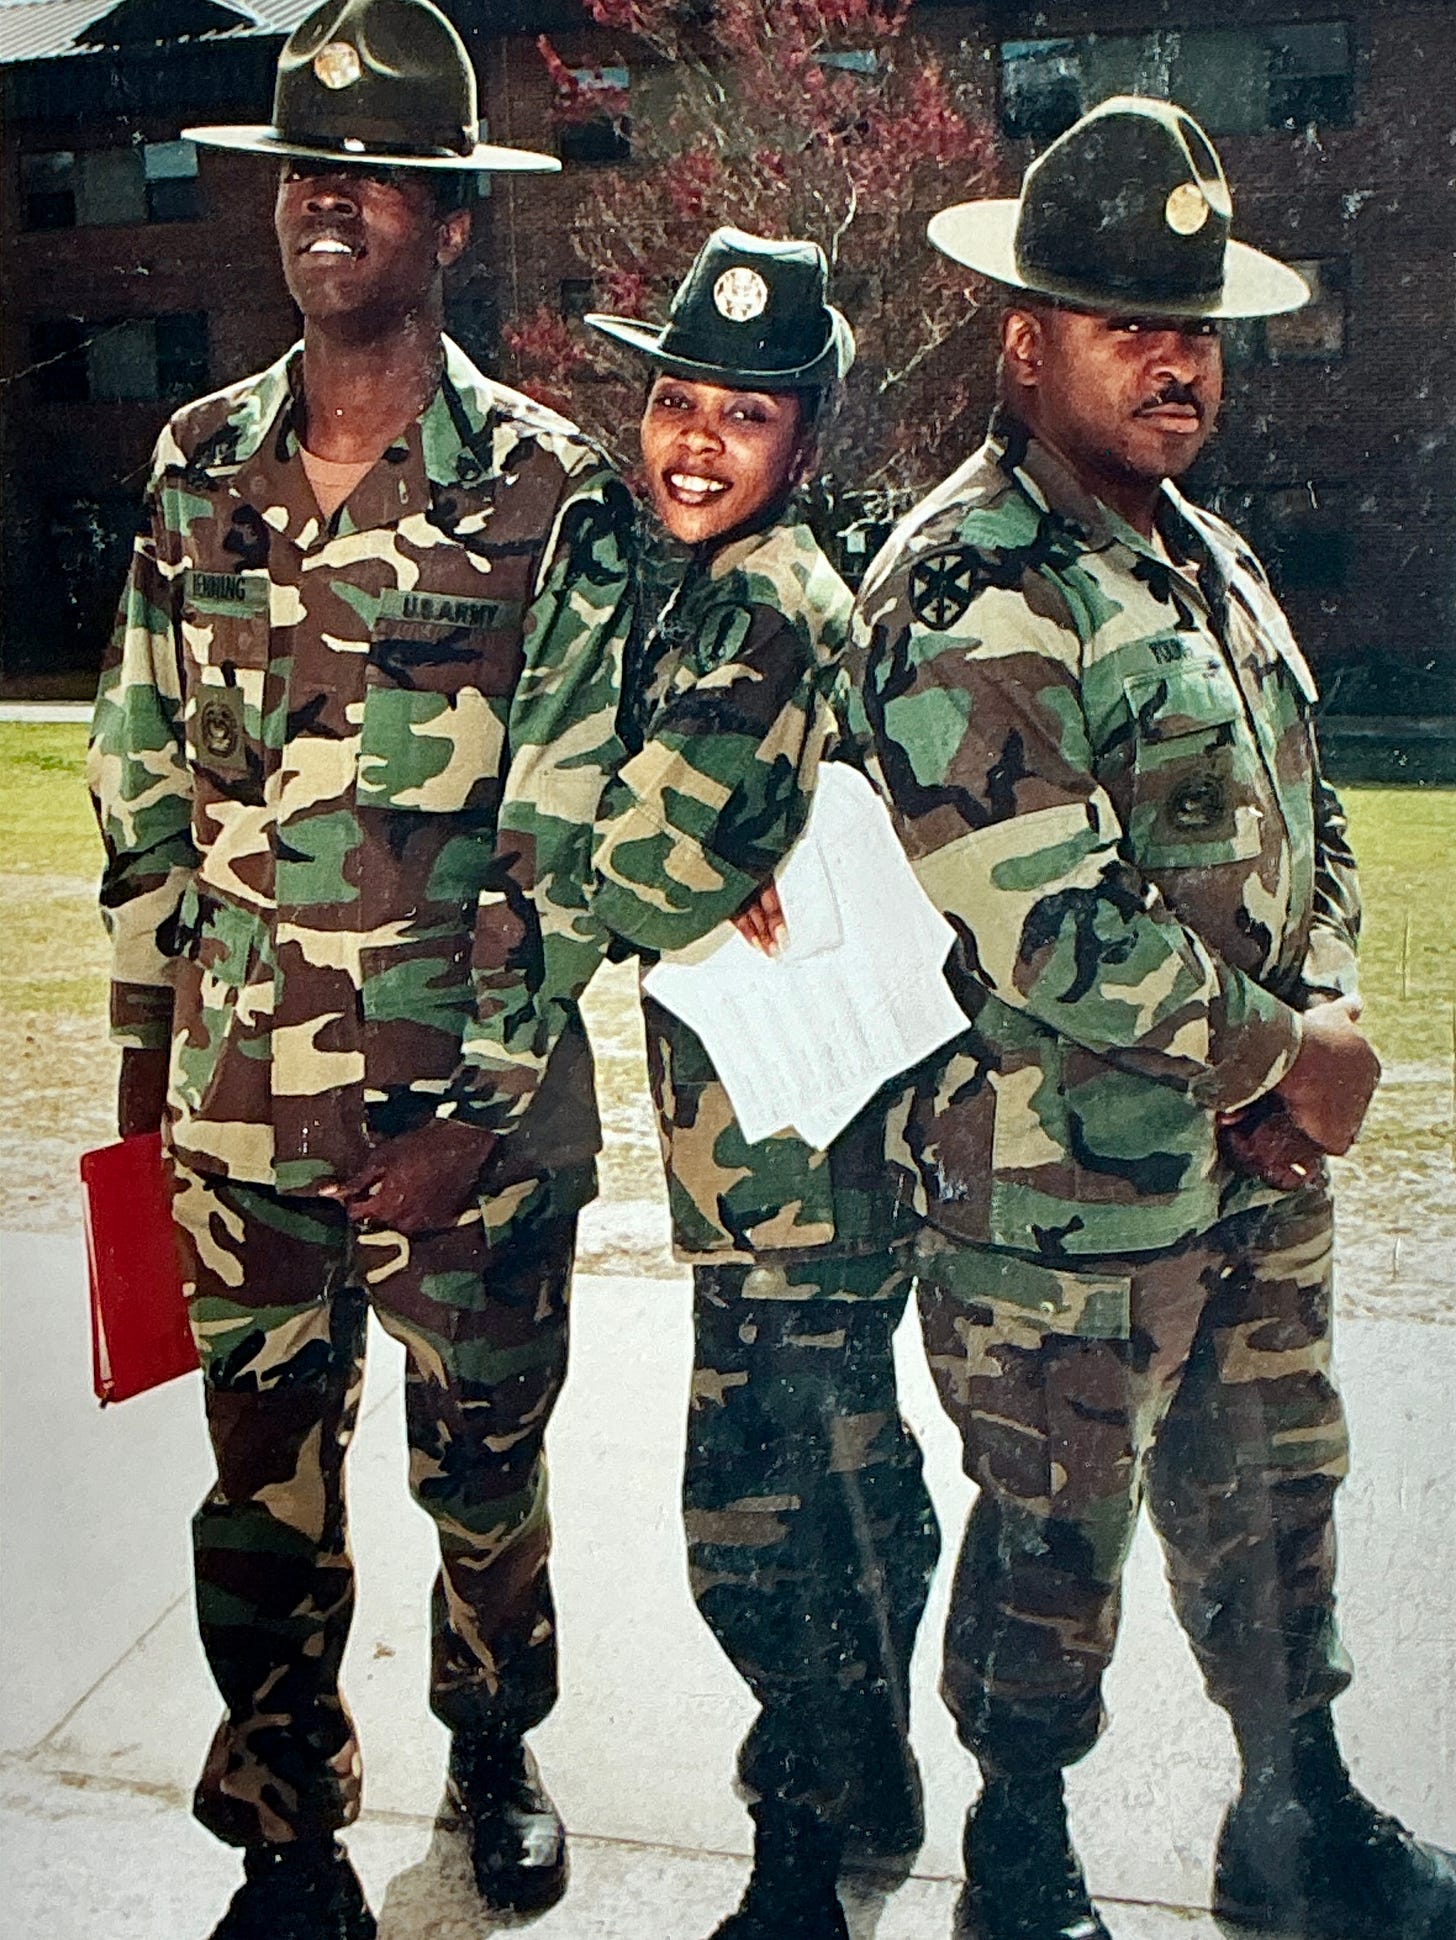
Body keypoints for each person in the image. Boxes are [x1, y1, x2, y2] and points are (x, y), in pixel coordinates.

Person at [853, 97, 1456, 1940]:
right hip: (1065, 1197)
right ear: (1024, 340)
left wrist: (1321, 1015)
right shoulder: (969, 585)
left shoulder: (1205, 555)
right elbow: (1060, 933)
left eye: (1193, 327)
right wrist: (1296, 1061)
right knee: (1051, 1536)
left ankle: (1296, 1820)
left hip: (1250, 1170)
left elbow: (1311, 812)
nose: (1175, 361)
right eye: (1129, 322)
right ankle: (1020, 1867)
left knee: (1275, 1495)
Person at [86, 2, 634, 1934]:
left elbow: (573, 846)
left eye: (374, 178)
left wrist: (475, 1120)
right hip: (243, 1115)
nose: (327, 204)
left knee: (484, 1475)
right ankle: (288, 1818)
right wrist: (148, 1104)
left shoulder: (554, 489)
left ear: (452, 224)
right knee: (260, 1486)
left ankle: (495, 1748)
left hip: (456, 1117)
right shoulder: (195, 464)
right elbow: (143, 797)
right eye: (304, 173)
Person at [585, 229, 941, 1940]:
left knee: (760, 1516)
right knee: (848, 1470)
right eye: (672, 401)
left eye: (744, 410)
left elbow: (636, 882)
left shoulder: (756, 603)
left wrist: (608, 832)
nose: (695, 441)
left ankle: (799, 1857)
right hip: (802, 1154)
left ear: (807, 439)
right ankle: (861, 1773)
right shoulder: (711, 582)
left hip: (793, 1161)